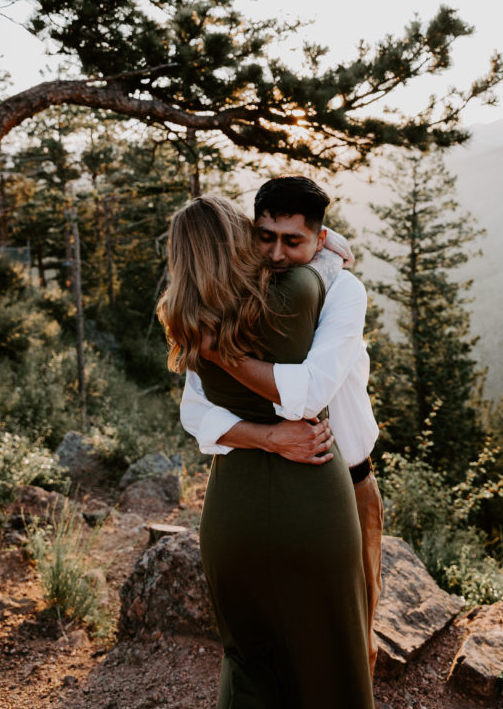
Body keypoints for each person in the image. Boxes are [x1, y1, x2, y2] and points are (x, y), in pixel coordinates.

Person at [159, 194, 374, 709]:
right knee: (334, 660)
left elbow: (196, 413)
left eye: (291, 241)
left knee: (248, 661)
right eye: (263, 237)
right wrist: (274, 436)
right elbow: (310, 392)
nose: (276, 253)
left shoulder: (189, 316)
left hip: (233, 509)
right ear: (242, 238)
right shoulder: (302, 288)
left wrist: (218, 353)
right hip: (317, 494)